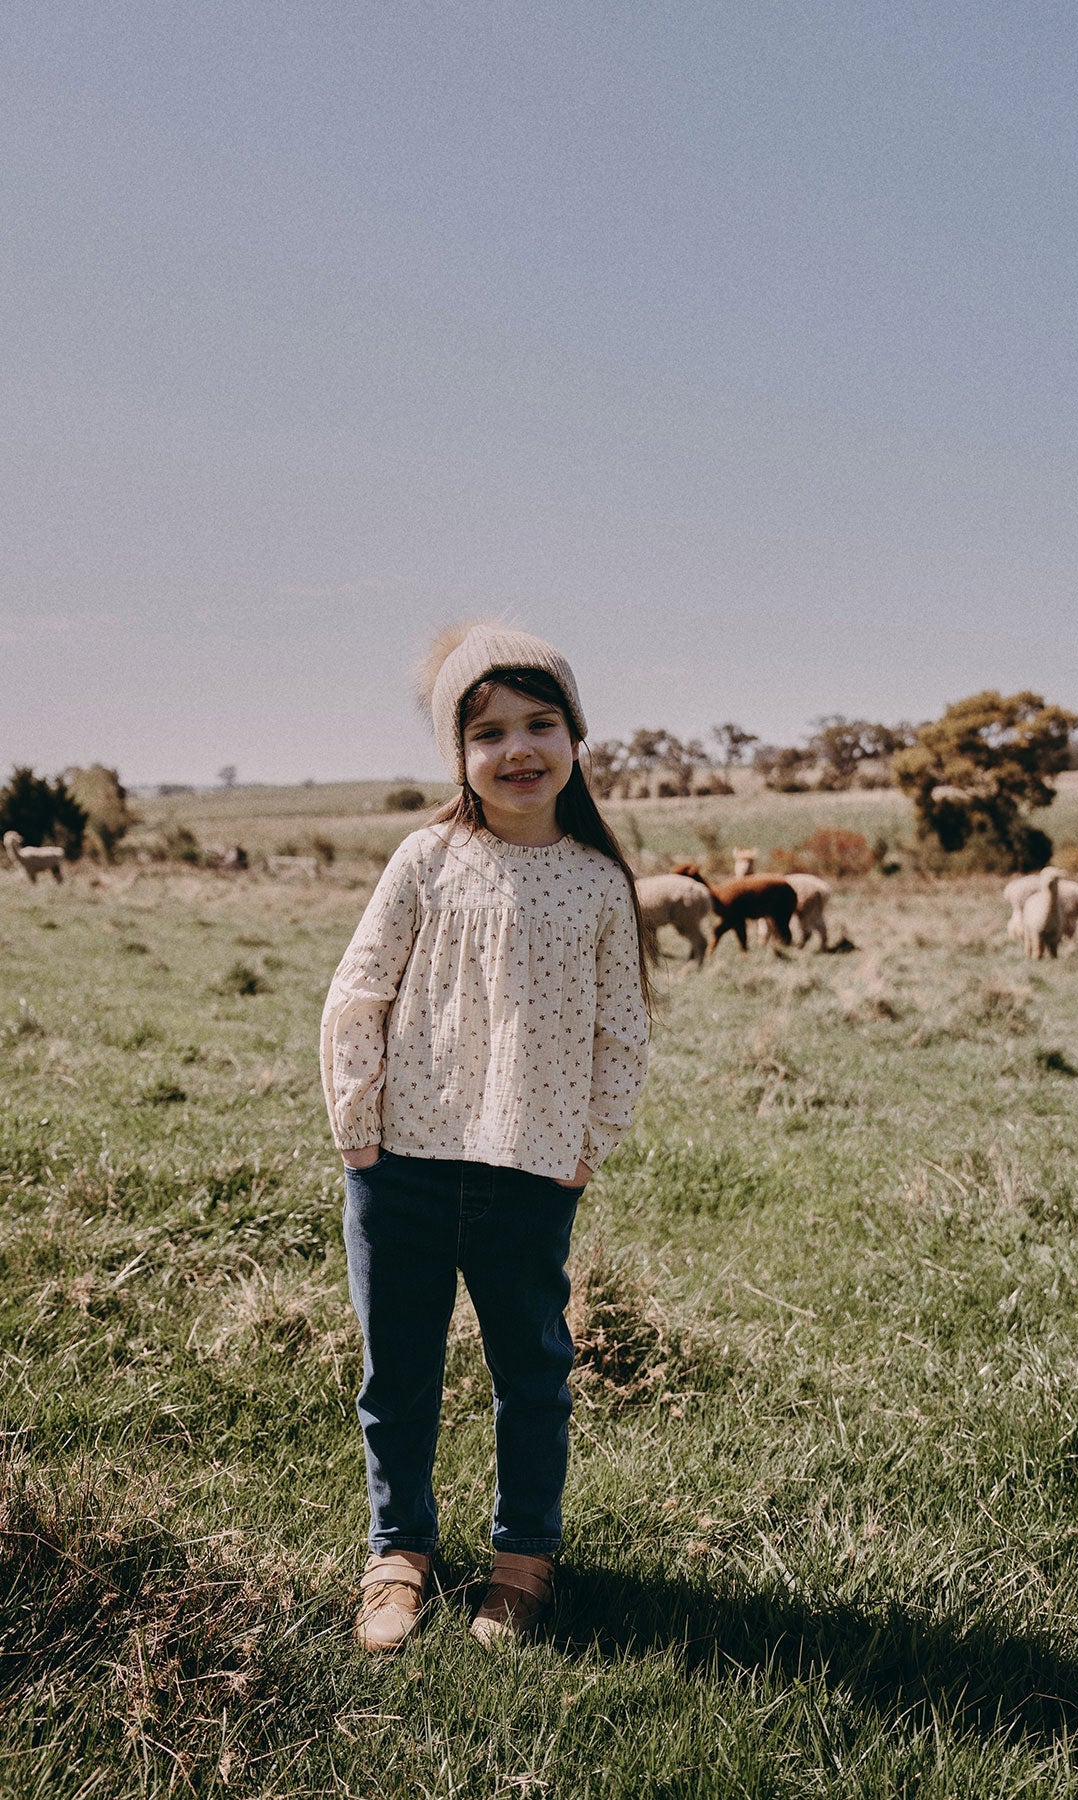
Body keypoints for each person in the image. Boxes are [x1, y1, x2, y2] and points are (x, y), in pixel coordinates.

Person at [321, 622, 651, 1651]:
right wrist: (358, 1131)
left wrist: (585, 1146)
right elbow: (359, 991)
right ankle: (399, 1551)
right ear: (458, 757)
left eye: (540, 723)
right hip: (403, 1168)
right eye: (489, 731)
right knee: (398, 1375)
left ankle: (522, 1562)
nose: (519, 749)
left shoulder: (600, 881)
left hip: (530, 1171)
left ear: (576, 737)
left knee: (533, 1377)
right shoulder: (429, 858)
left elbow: (621, 1032)